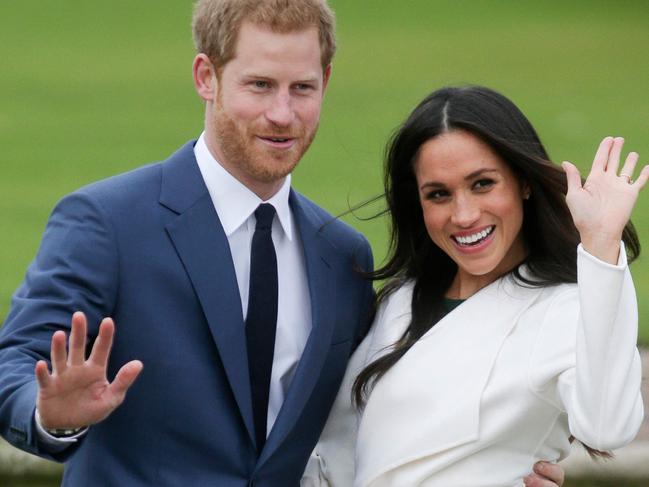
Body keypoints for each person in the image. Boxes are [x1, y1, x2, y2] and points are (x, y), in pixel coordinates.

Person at [0, 2, 566, 485]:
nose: (282, 114)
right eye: (260, 85)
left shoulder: (342, 256)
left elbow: (370, 419)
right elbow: (14, 366)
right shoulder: (106, 221)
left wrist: (499, 465)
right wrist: (53, 416)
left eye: (303, 88)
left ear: (326, 82)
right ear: (206, 76)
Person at [302, 86, 647, 487]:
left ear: (524, 182)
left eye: (482, 184)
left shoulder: (565, 308)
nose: (464, 214)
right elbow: (338, 451)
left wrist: (601, 245)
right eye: (438, 194)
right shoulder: (401, 298)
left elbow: (608, 427)